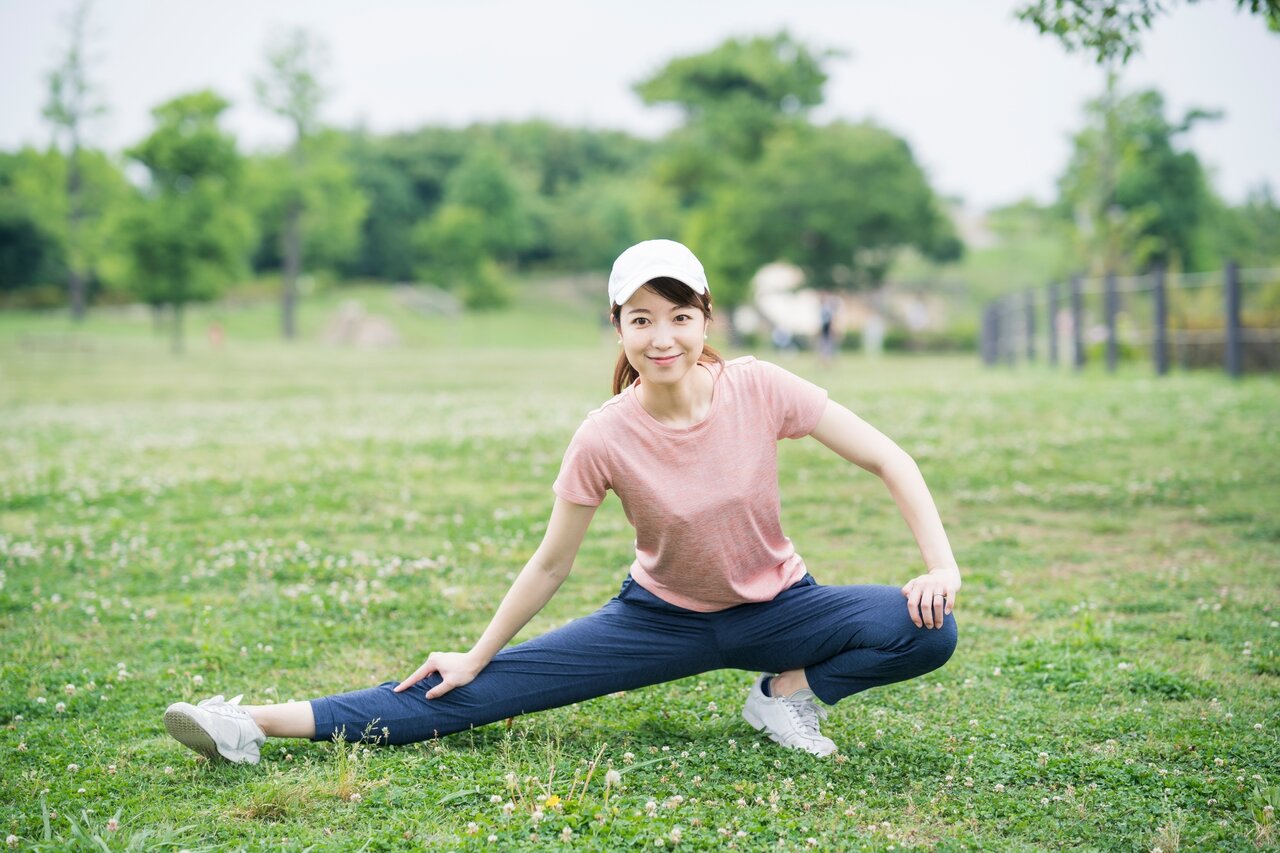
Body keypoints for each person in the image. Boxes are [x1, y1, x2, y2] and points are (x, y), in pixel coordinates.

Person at [163, 239, 960, 764]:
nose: (663, 338)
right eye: (641, 319)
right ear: (617, 324)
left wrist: (938, 564)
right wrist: (475, 652)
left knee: (927, 629)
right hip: (660, 619)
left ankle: (783, 698)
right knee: (466, 697)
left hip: (782, 606)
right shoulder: (603, 435)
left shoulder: (757, 386)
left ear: (704, 317)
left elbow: (888, 456)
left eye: (680, 317)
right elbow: (552, 562)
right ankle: (249, 722)